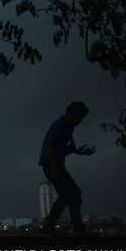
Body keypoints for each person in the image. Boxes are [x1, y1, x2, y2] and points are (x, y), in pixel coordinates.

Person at [39, 101, 96, 235]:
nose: (80, 121)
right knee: (72, 194)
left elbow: (60, 148)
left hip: (55, 164)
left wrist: (76, 151)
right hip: (51, 164)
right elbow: (48, 147)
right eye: (79, 117)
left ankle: (55, 225)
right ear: (71, 114)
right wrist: (54, 168)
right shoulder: (60, 125)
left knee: (70, 195)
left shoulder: (68, 127)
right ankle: (72, 228)